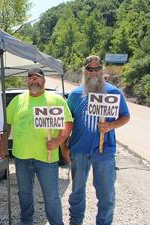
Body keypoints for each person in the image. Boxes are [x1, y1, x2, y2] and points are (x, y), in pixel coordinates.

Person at [0, 67, 73, 225]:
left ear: (44, 81)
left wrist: (57, 141)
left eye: (37, 78)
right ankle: (26, 222)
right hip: (21, 157)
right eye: (31, 78)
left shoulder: (56, 100)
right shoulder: (18, 100)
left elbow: (68, 124)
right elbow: (7, 124)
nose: (34, 81)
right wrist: (2, 146)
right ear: (27, 81)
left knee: (51, 195)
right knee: (24, 193)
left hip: (46, 159)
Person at [65, 55, 130, 225]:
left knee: (106, 195)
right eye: (90, 69)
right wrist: (64, 146)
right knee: (77, 192)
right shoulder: (75, 94)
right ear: (84, 71)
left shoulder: (114, 93)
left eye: (97, 68)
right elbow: (67, 121)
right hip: (79, 150)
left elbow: (126, 117)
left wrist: (111, 125)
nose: (94, 72)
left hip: (104, 151)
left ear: (102, 70)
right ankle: (75, 222)